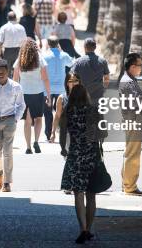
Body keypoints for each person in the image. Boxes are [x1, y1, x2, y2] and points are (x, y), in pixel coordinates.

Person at [60, 84, 100, 244]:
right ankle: (89, 229)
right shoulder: (93, 111)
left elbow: (63, 134)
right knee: (91, 194)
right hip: (91, 154)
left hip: (75, 154)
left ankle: (82, 228)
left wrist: (63, 148)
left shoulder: (68, 112)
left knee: (78, 194)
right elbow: (102, 134)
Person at [0, 59, 26, 192]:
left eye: (3, 72)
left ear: (8, 71)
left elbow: (21, 105)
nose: (0, 74)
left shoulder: (16, 87)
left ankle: (7, 182)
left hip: (9, 121)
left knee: (8, 152)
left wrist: (16, 119)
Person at [119, 53, 142, 196]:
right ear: (132, 67)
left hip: (132, 120)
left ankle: (126, 184)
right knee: (133, 154)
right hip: (132, 121)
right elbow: (137, 102)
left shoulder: (130, 79)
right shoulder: (127, 82)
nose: (141, 68)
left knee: (130, 152)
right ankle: (130, 186)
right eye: (139, 65)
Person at [13, 38, 51, 154]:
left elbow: (15, 79)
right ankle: (36, 141)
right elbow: (45, 78)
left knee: (27, 121)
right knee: (39, 118)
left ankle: (28, 147)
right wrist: (48, 94)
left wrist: (14, 95)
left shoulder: (20, 60)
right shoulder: (40, 59)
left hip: (24, 94)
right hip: (38, 93)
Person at [43, 36, 73, 141]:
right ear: (58, 44)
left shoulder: (44, 55)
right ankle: (61, 131)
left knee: (47, 111)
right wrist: (62, 51)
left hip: (47, 88)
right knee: (60, 111)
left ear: (48, 44)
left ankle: (48, 133)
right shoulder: (63, 55)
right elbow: (71, 63)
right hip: (61, 88)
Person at [71, 38, 110, 106]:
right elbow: (106, 79)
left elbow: (72, 80)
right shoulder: (103, 61)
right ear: (95, 47)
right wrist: (104, 89)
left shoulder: (78, 62)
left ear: (85, 47)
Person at [51, 72, 82, 158]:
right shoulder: (62, 98)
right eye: (71, 81)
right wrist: (53, 133)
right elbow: (57, 116)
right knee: (71, 158)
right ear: (67, 83)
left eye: (76, 81)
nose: (74, 83)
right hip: (67, 132)